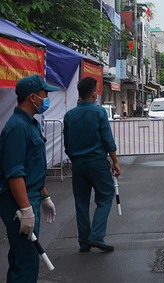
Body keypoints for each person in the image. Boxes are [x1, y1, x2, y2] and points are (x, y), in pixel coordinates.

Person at [0, 75, 59, 282]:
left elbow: (31, 167)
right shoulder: (17, 128)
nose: (47, 98)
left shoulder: (30, 124)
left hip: (30, 196)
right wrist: (26, 209)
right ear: (33, 98)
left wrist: (44, 196)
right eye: (45, 94)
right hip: (18, 203)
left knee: (21, 257)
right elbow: (14, 173)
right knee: (27, 262)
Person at [63, 77, 121, 253]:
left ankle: (84, 242)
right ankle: (96, 235)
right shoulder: (99, 112)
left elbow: (67, 143)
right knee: (106, 195)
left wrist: (75, 158)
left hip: (77, 163)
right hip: (96, 161)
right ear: (94, 94)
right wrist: (115, 161)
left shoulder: (69, 115)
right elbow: (107, 139)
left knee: (81, 202)